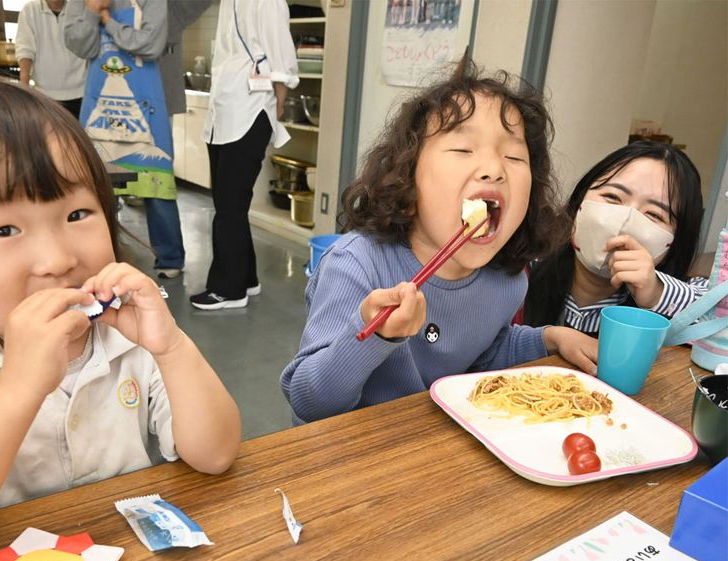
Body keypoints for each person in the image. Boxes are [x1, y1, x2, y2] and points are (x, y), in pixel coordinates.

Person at [0, 79, 241, 555]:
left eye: (77, 215)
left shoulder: (128, 339)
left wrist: (170, 348)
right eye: (4, 229)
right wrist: (16, 390)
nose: (56, 259)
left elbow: (215, 456)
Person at [280, 59, 598, 424]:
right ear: (407, 177)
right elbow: (308, 400)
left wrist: (551, 339)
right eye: (464, 150)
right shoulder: (356, 264)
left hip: (432, 457)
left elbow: (484, 356)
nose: (495, 168)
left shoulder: (507, 281)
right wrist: (374, 335)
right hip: (346, 462)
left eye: (513, 156)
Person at [523, 141, 707, 335]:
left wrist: (656, 294)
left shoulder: (679, 292)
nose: (625, 219)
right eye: (612, 197)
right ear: (579, 201)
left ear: (675, 242)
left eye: (654, 214)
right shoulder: (526, 264)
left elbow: (720, 318)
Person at [63, 0, 186, 280]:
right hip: (100, 108)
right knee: (100, 188)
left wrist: (108, 21)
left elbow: (151, 45)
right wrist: (92, 12)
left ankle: (170, 256)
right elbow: (82, 46)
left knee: (157, 183)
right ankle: (102, 257)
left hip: (144, 104)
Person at [189, 0, 299, 310]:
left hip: (250, 112)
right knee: (229, 203)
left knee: (230, 206)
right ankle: (247, 278)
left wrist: (276, 106)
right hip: (223, 114)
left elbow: (282, 54)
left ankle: (229, 289)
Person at [15, 0, 88, 121]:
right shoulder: (30, 10)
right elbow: (25, 50)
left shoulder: (79, 9)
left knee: (78, 138)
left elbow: (88, 46)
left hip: (80, 94)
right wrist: (24, 88)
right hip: (44, 96)